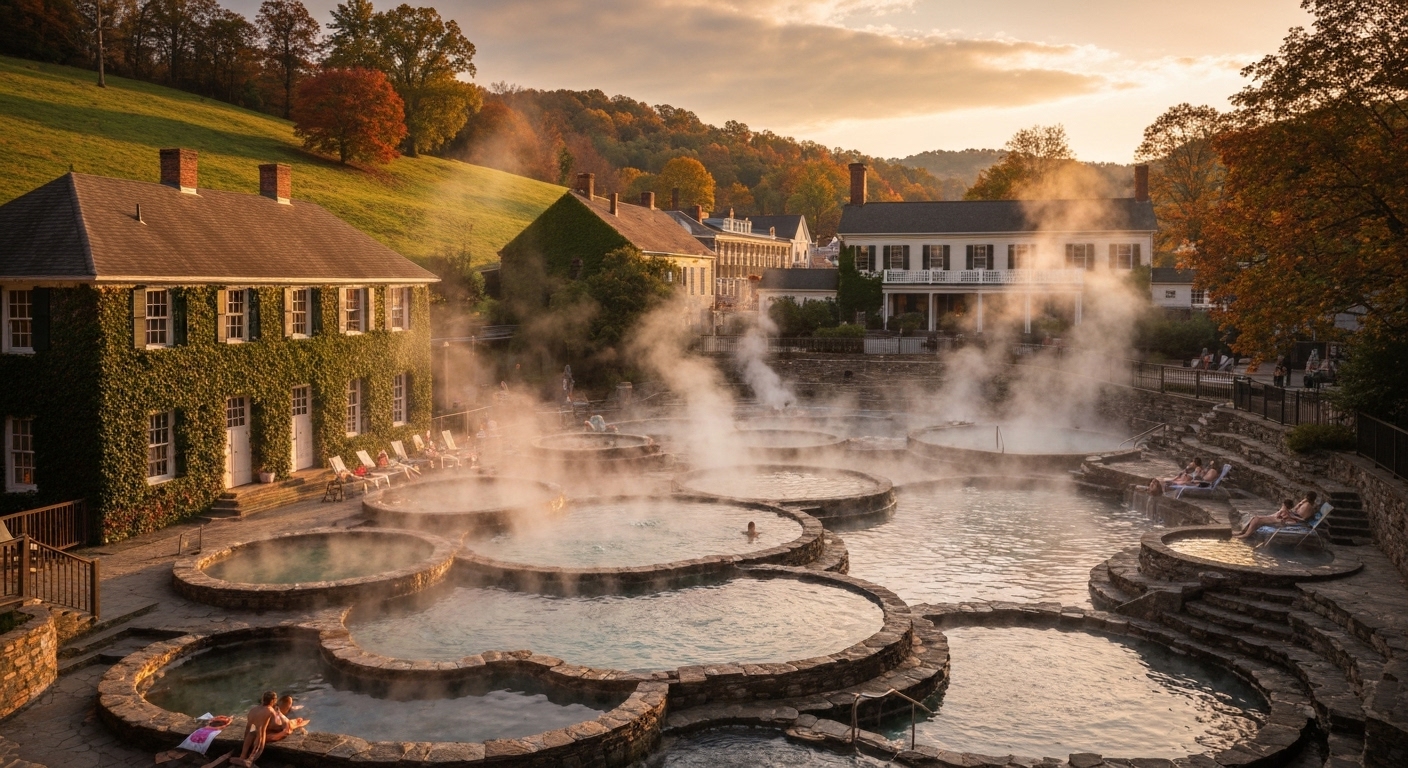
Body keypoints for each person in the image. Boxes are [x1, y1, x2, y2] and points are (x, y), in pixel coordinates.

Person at [1236, 493, 1318, 538]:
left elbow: (1301, 517)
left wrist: (1294, 514)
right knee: (1256, 519)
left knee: (1256, 519)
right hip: (1291, 518)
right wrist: (1301, 503)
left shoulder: (1307, 507)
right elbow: (1296, 512)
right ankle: (1244, 533)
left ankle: (1245, 534)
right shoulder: (1308, 506)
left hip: (1289, 520)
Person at [233, 691, 279, 767]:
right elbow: (276, 724)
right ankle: (250, 760)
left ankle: (242, 756)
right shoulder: (270, 710)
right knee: (260, 734)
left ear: (262, 699)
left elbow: (248, 727)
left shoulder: (253, 709)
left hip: (251, 730)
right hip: (260, 733)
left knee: (252, 732)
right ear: (273, 700)